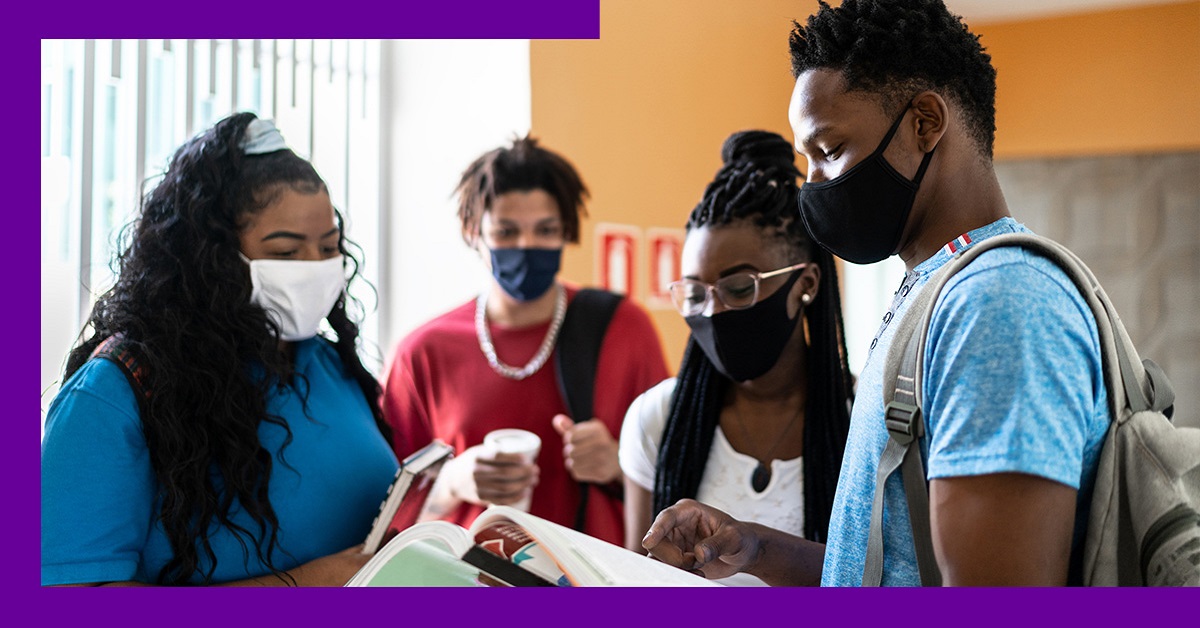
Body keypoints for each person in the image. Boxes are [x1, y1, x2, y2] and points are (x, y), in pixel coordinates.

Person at [642, 0, 1109, 586]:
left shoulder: (995, 303)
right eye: (805, 158)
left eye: (830, 152)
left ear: (924, 123)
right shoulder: (934, 291)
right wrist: (757, 548)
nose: (811, 186)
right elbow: (894, 573)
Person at [40, 112, 400, 586]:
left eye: (329, 247)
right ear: (209, 259)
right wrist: (305, 586)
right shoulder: (119, 391)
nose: (316, 268)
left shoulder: (329, 363)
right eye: (287, 253)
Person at [382, 135, 669, 546]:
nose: (526, 246)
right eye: (506, 231)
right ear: (472, 232)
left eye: (546, 230)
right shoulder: (422, 353)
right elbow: (387, 515)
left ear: (566, 230)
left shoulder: (622, 328)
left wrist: (620, 467)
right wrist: (453, 481)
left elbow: (683, 474)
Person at [617, 130, 853, 585]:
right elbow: (630, 584)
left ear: (805, 284)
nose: (714, 311)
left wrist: (759, 550)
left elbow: (887, 580)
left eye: (739, 288)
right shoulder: (658, 418)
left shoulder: (863, 420)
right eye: (695, 293)